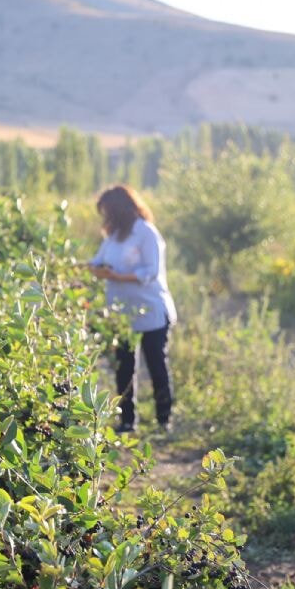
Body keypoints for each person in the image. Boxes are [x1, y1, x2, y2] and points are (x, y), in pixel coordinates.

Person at [87, 184, 177, 434]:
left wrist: (115, 276)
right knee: (124, 367)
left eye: (108, 212)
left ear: (120, 209)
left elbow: (150, 272)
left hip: (151, 311)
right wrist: (86, 269)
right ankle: (127, 421)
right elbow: (97, 262)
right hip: (121, 315)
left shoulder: (146, 233)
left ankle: (164, 419)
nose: (105, 218)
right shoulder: (114, 236)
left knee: (156, 364)